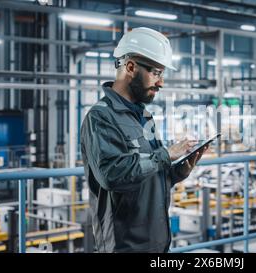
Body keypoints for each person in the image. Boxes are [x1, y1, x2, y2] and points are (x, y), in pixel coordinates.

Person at [80, 27, 207, 253]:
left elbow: (149, 172)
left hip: (156, 242)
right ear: (130, 67)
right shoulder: (101, 117)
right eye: (156, 73)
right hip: (124, 245)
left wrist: (176, 172)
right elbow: (112, 176)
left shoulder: (144, 116)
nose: (161, 83)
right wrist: (165, 155)